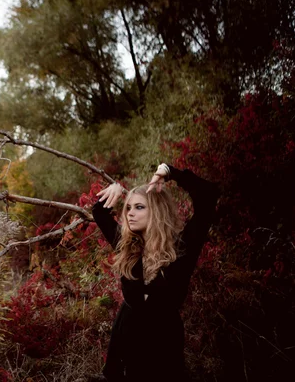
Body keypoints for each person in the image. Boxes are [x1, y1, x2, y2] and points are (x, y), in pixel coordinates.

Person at [92, 163, 219, 382]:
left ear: (157, 210)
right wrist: (113, 189)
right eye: (128, 208)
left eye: (139, 207)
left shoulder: (181, 248)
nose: (130, 213)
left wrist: (172, 172)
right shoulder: (127, 247)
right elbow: (100, 213)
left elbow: (208, 197)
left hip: (164, 347)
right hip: (126, 346)